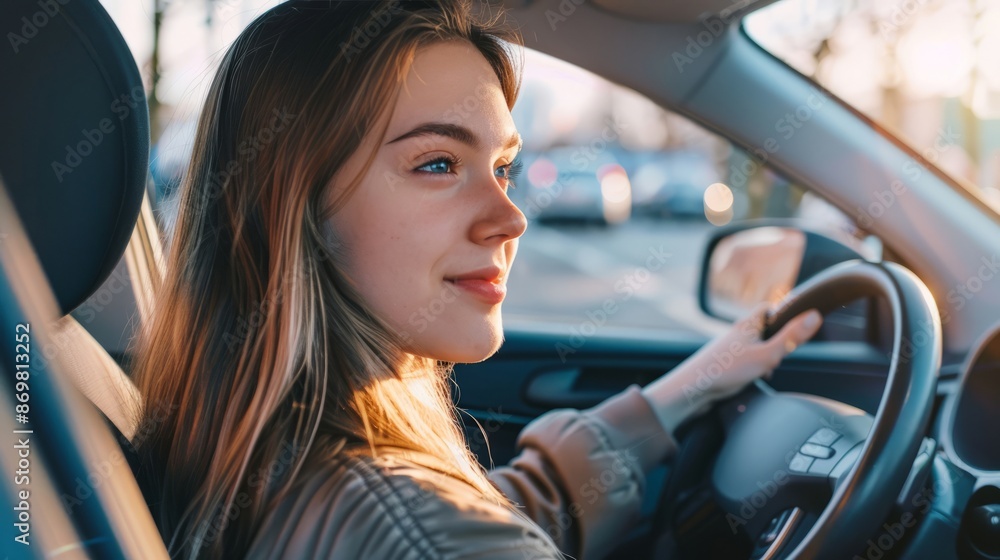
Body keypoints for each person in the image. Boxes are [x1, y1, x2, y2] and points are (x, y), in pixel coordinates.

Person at [130, 1, 823, 558]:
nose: (510, 218)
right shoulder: (414, 525)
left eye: (502, 168)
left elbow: (499, 510)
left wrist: (689, 388)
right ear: (292, 207)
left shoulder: (266, 453)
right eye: (437, 164)